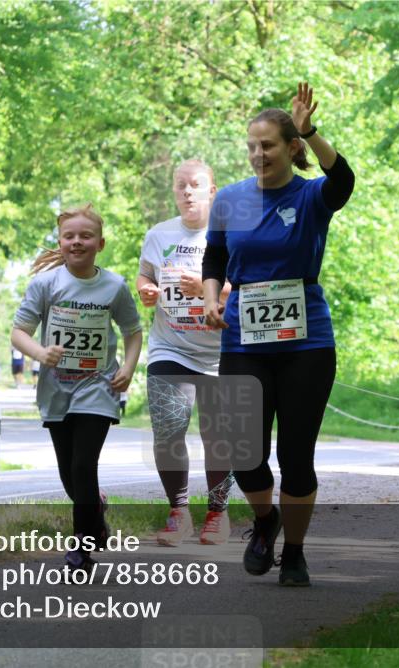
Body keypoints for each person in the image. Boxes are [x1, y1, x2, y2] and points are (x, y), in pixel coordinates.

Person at [201, 83, 355, 586]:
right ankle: (264, 523)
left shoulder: (311, 196)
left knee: (296, 456)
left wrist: (311, 129)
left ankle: (294, 552)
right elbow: (216, 259)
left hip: (306, 343)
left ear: (291, 148)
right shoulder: (230, 200)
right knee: (241, 450)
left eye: (266, 145)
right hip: (244, 339)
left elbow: (344, 179)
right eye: (251, 146)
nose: (257, 154)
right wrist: (209, 297)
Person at [11, 204, 143, 572]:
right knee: (70, 474)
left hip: (97, 386)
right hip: (56, 389)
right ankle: (95, 513)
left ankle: (80, 551)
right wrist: (41, 352)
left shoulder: (114, 286)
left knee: (84, 465)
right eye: (69, 236)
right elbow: (19, 332)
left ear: (100, 243)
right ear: (60, 242)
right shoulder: (45, 285)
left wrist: (128, 368)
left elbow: (133, 332)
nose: (77, 242)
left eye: (85, 236)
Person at [137, 159, 235, 547]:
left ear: (213, 190)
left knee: (219, 436)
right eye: (181, 186)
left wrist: (210, 291)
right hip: (170, 346)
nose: (187, 192)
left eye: (196, 185)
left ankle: (217, 513)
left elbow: (250, 287)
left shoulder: (232, 235)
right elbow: (146, 274)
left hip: (223, 351)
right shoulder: (159, 235)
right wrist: (145, 288)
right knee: (168, 427)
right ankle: (178, 511)